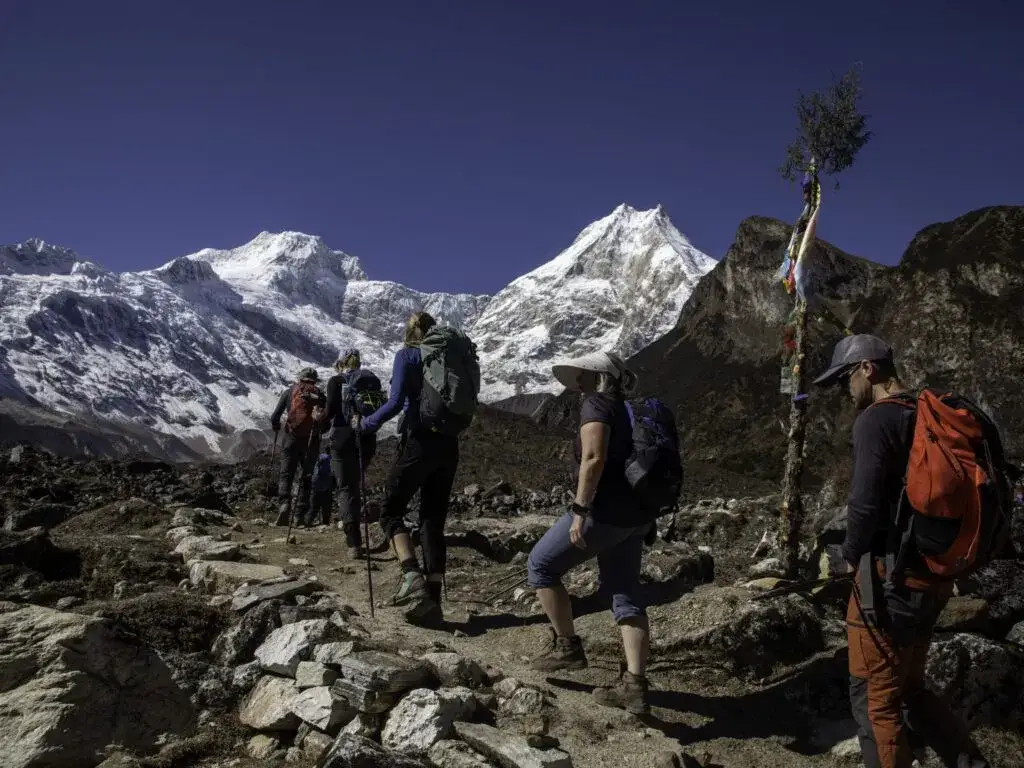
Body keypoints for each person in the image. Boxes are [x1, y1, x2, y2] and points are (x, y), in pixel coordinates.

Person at [813, 334, 989, 768]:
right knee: (910, 689)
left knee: (874, 700)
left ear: (867, 369)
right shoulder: (926, 415)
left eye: (844, 379)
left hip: (887, 582)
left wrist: (849, 556)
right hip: (933, 574)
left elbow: (865, 503)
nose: (843, 390)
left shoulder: (877, 420)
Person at [525, 350, 654, 716]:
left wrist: (580, 510)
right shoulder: (632, 409)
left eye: (581, 377)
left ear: (597, 376)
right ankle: (635, 686)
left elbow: (593, 458)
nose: (577, 386)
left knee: (541, 566)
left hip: (604, 511)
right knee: (626, 591)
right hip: (635, 515)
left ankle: (567, 647)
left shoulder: (597, 405)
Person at [357, 311, 456, 627]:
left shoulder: (408, 356)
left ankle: (412, 575)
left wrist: (368, 424)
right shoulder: (449, 359)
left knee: (390, 510)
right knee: (432, 519)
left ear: (409, 331)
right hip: (449, 445)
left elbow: (397, 401)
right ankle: (433, 602)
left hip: (418, 442)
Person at [316, 348, 379, 557]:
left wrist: (318, 418)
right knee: (355, 483)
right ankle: (360, 534)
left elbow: (330, 413)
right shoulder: (372, 379)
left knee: (345, 489)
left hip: (342, 439)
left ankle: (354, 543)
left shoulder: (336, 381)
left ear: (340, 362)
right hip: (367, 438)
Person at [269, 367, 326, 527]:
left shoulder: (290, 392)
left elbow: (275, 416)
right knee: (306, 476)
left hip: (290, 439)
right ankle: (299, 516)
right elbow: (326, 420)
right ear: (315, 380)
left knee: (286, 474)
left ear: (300, 378)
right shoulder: (320, 396)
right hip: (311, 441)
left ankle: (284, 505)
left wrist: (275, 426)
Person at [309, 451, 335, 528]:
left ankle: (308, 521)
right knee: (326, 505)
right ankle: (325, 522)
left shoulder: (320, 457)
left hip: (316, 483)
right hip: (327, 484)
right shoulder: (331, 459)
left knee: (313, 506)